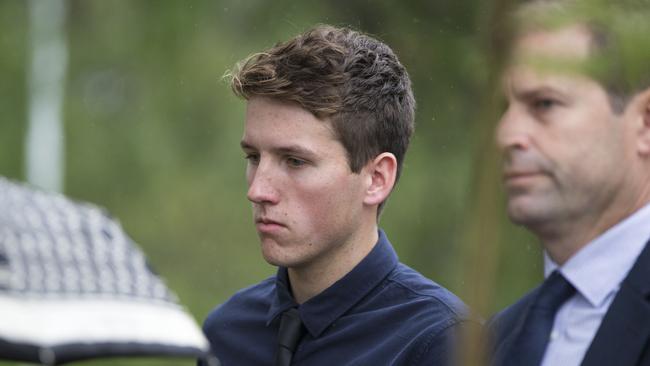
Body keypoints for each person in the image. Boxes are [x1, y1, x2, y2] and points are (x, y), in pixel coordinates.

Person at [201, 25, 467, 366]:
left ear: (376, 178)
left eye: (295, 161)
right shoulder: (227, 332)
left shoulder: (441, 342)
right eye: (254, 157)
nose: (258, 190)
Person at [489, 0, 650, 365]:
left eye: (544, 104)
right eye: (505, 108)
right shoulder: (495, 340)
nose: (507, 134)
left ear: (644, 123)